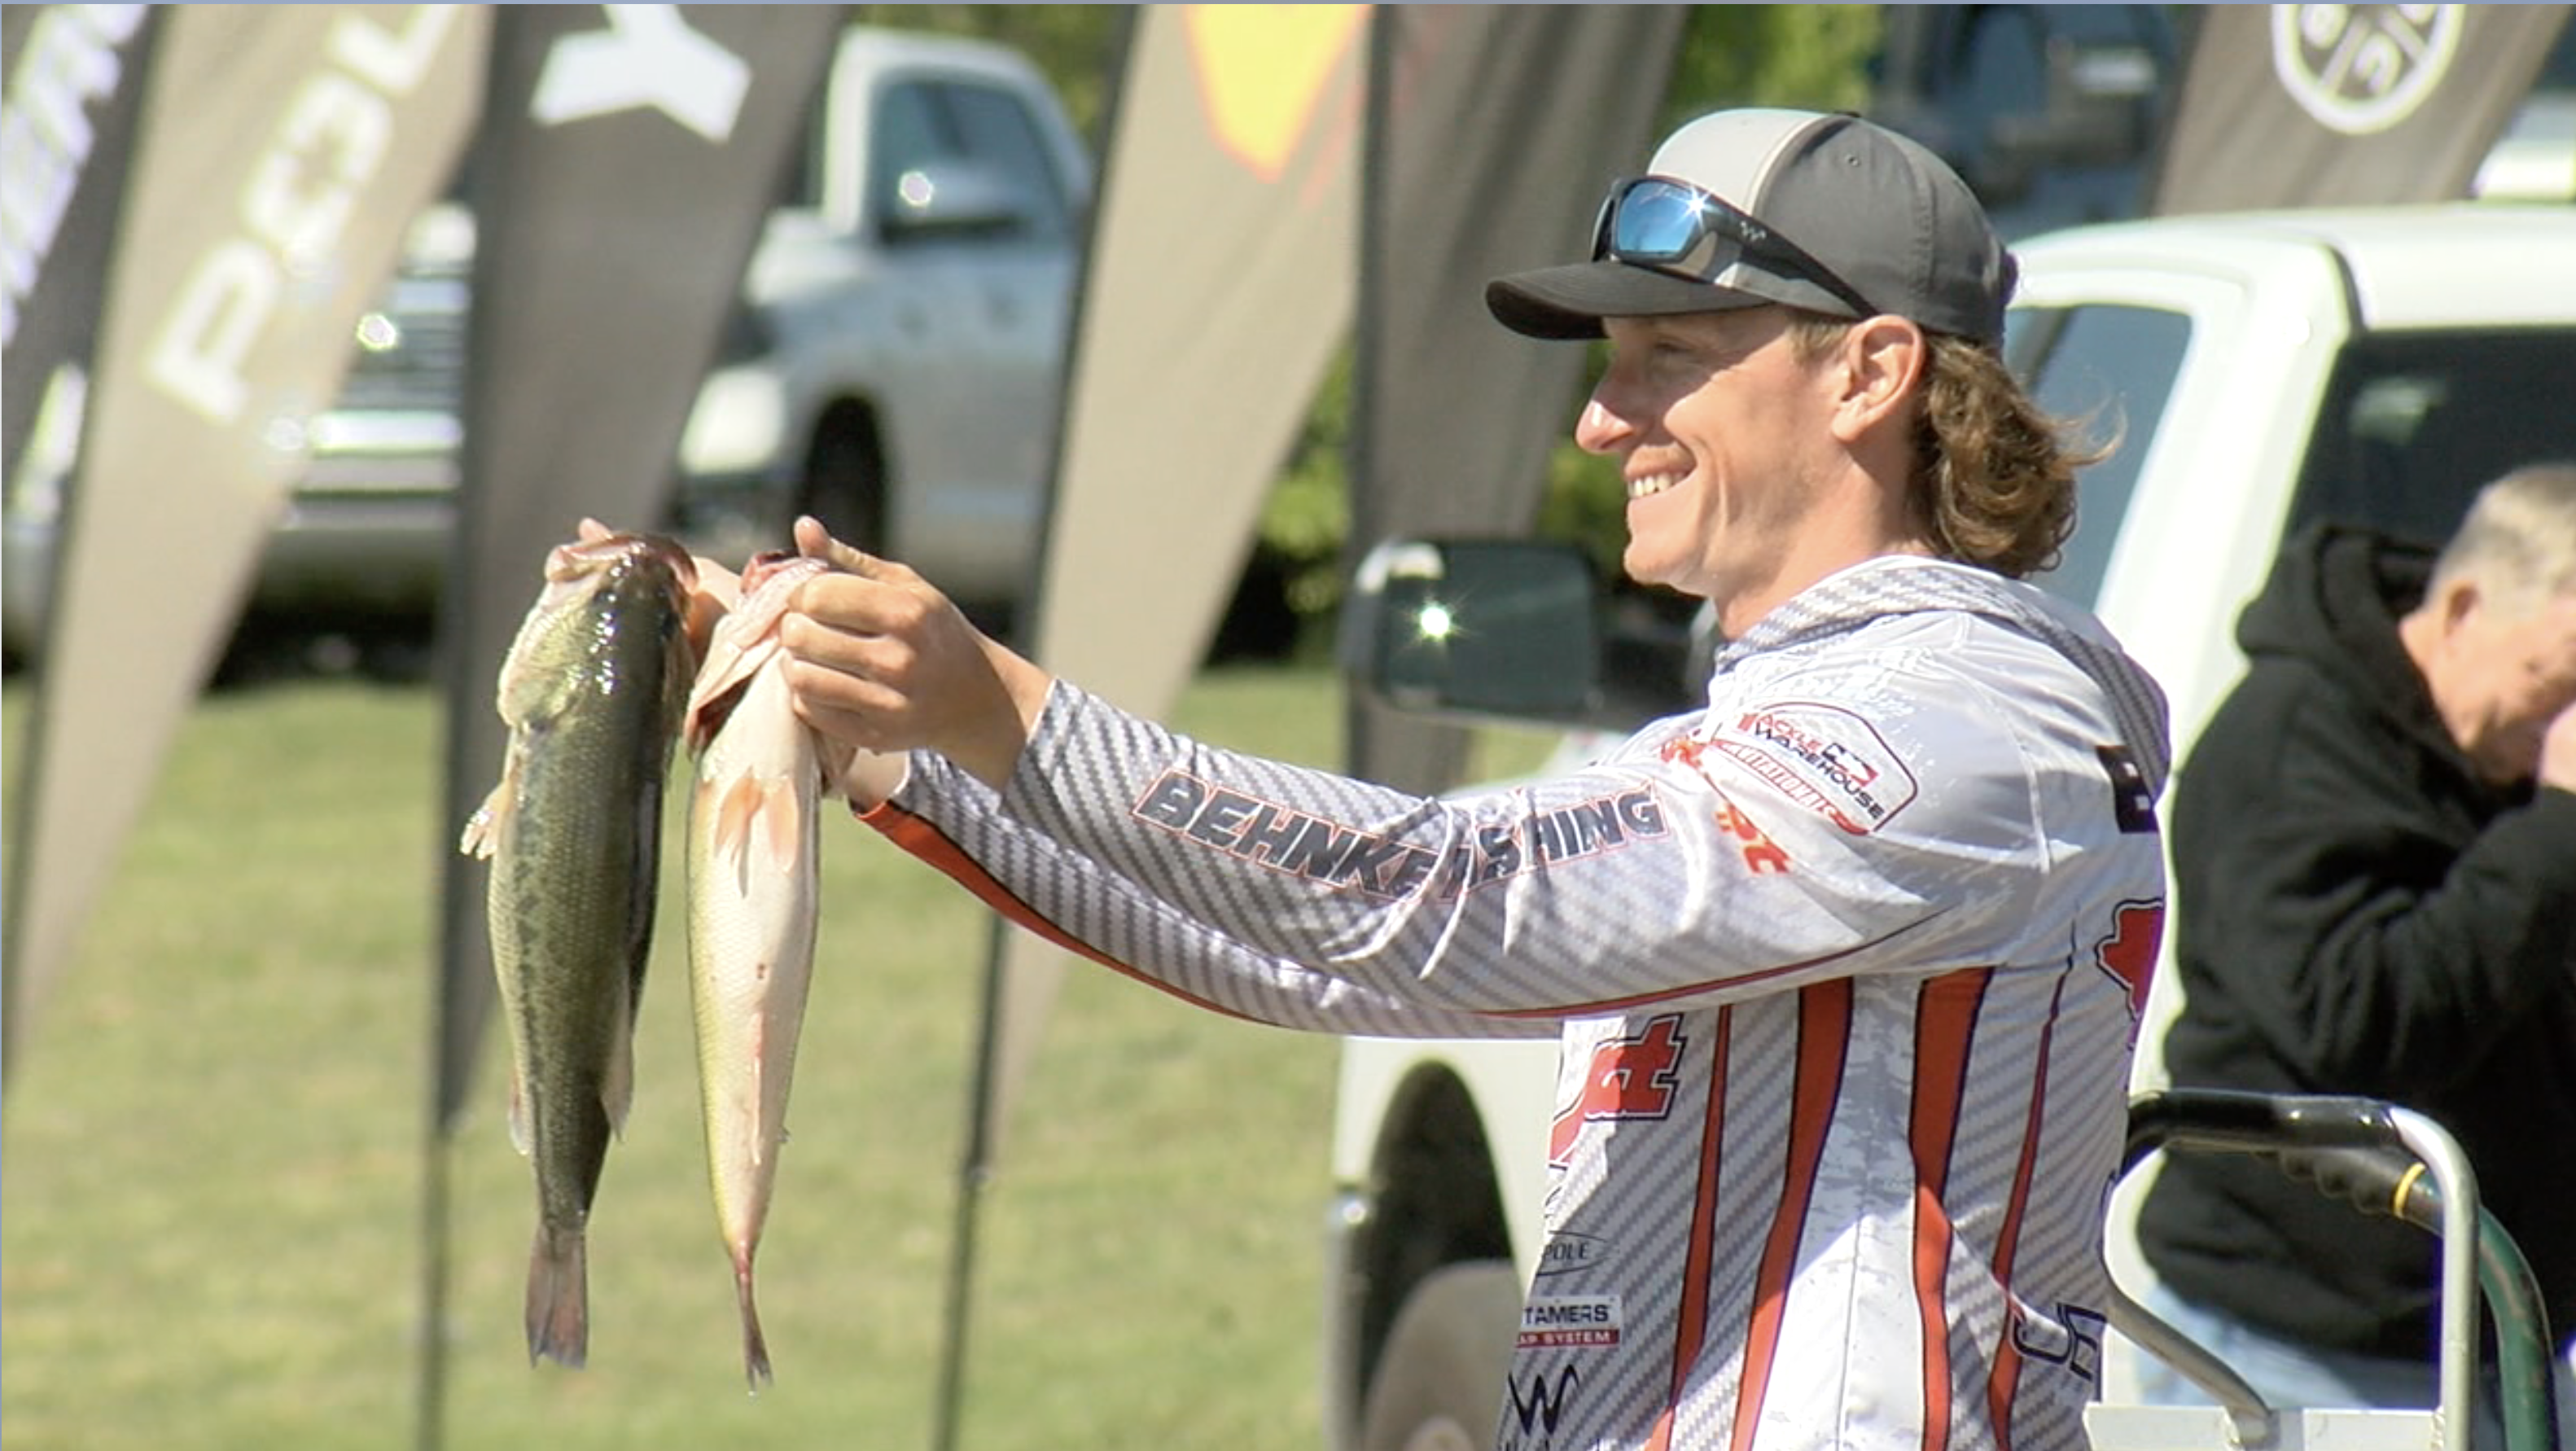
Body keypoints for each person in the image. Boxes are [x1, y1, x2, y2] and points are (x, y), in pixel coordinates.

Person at [776, 107, 2172, 1451]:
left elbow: (1428, 896)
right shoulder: (1843, 710)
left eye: (1669, 354)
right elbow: (1314, 957)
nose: (1601, 420)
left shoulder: (1955, 717)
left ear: (1869, 373)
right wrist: (902, 747)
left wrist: (1008, 711)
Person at [2135, 462, 2576, 1427]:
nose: (2565, 726)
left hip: (2500, 1337)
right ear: (2462, 610)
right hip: (2298, 1351)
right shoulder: (2294, 744)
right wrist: (2555, 829)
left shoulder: (2498, 754)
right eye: (2559, 682)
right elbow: (2358, 1027)